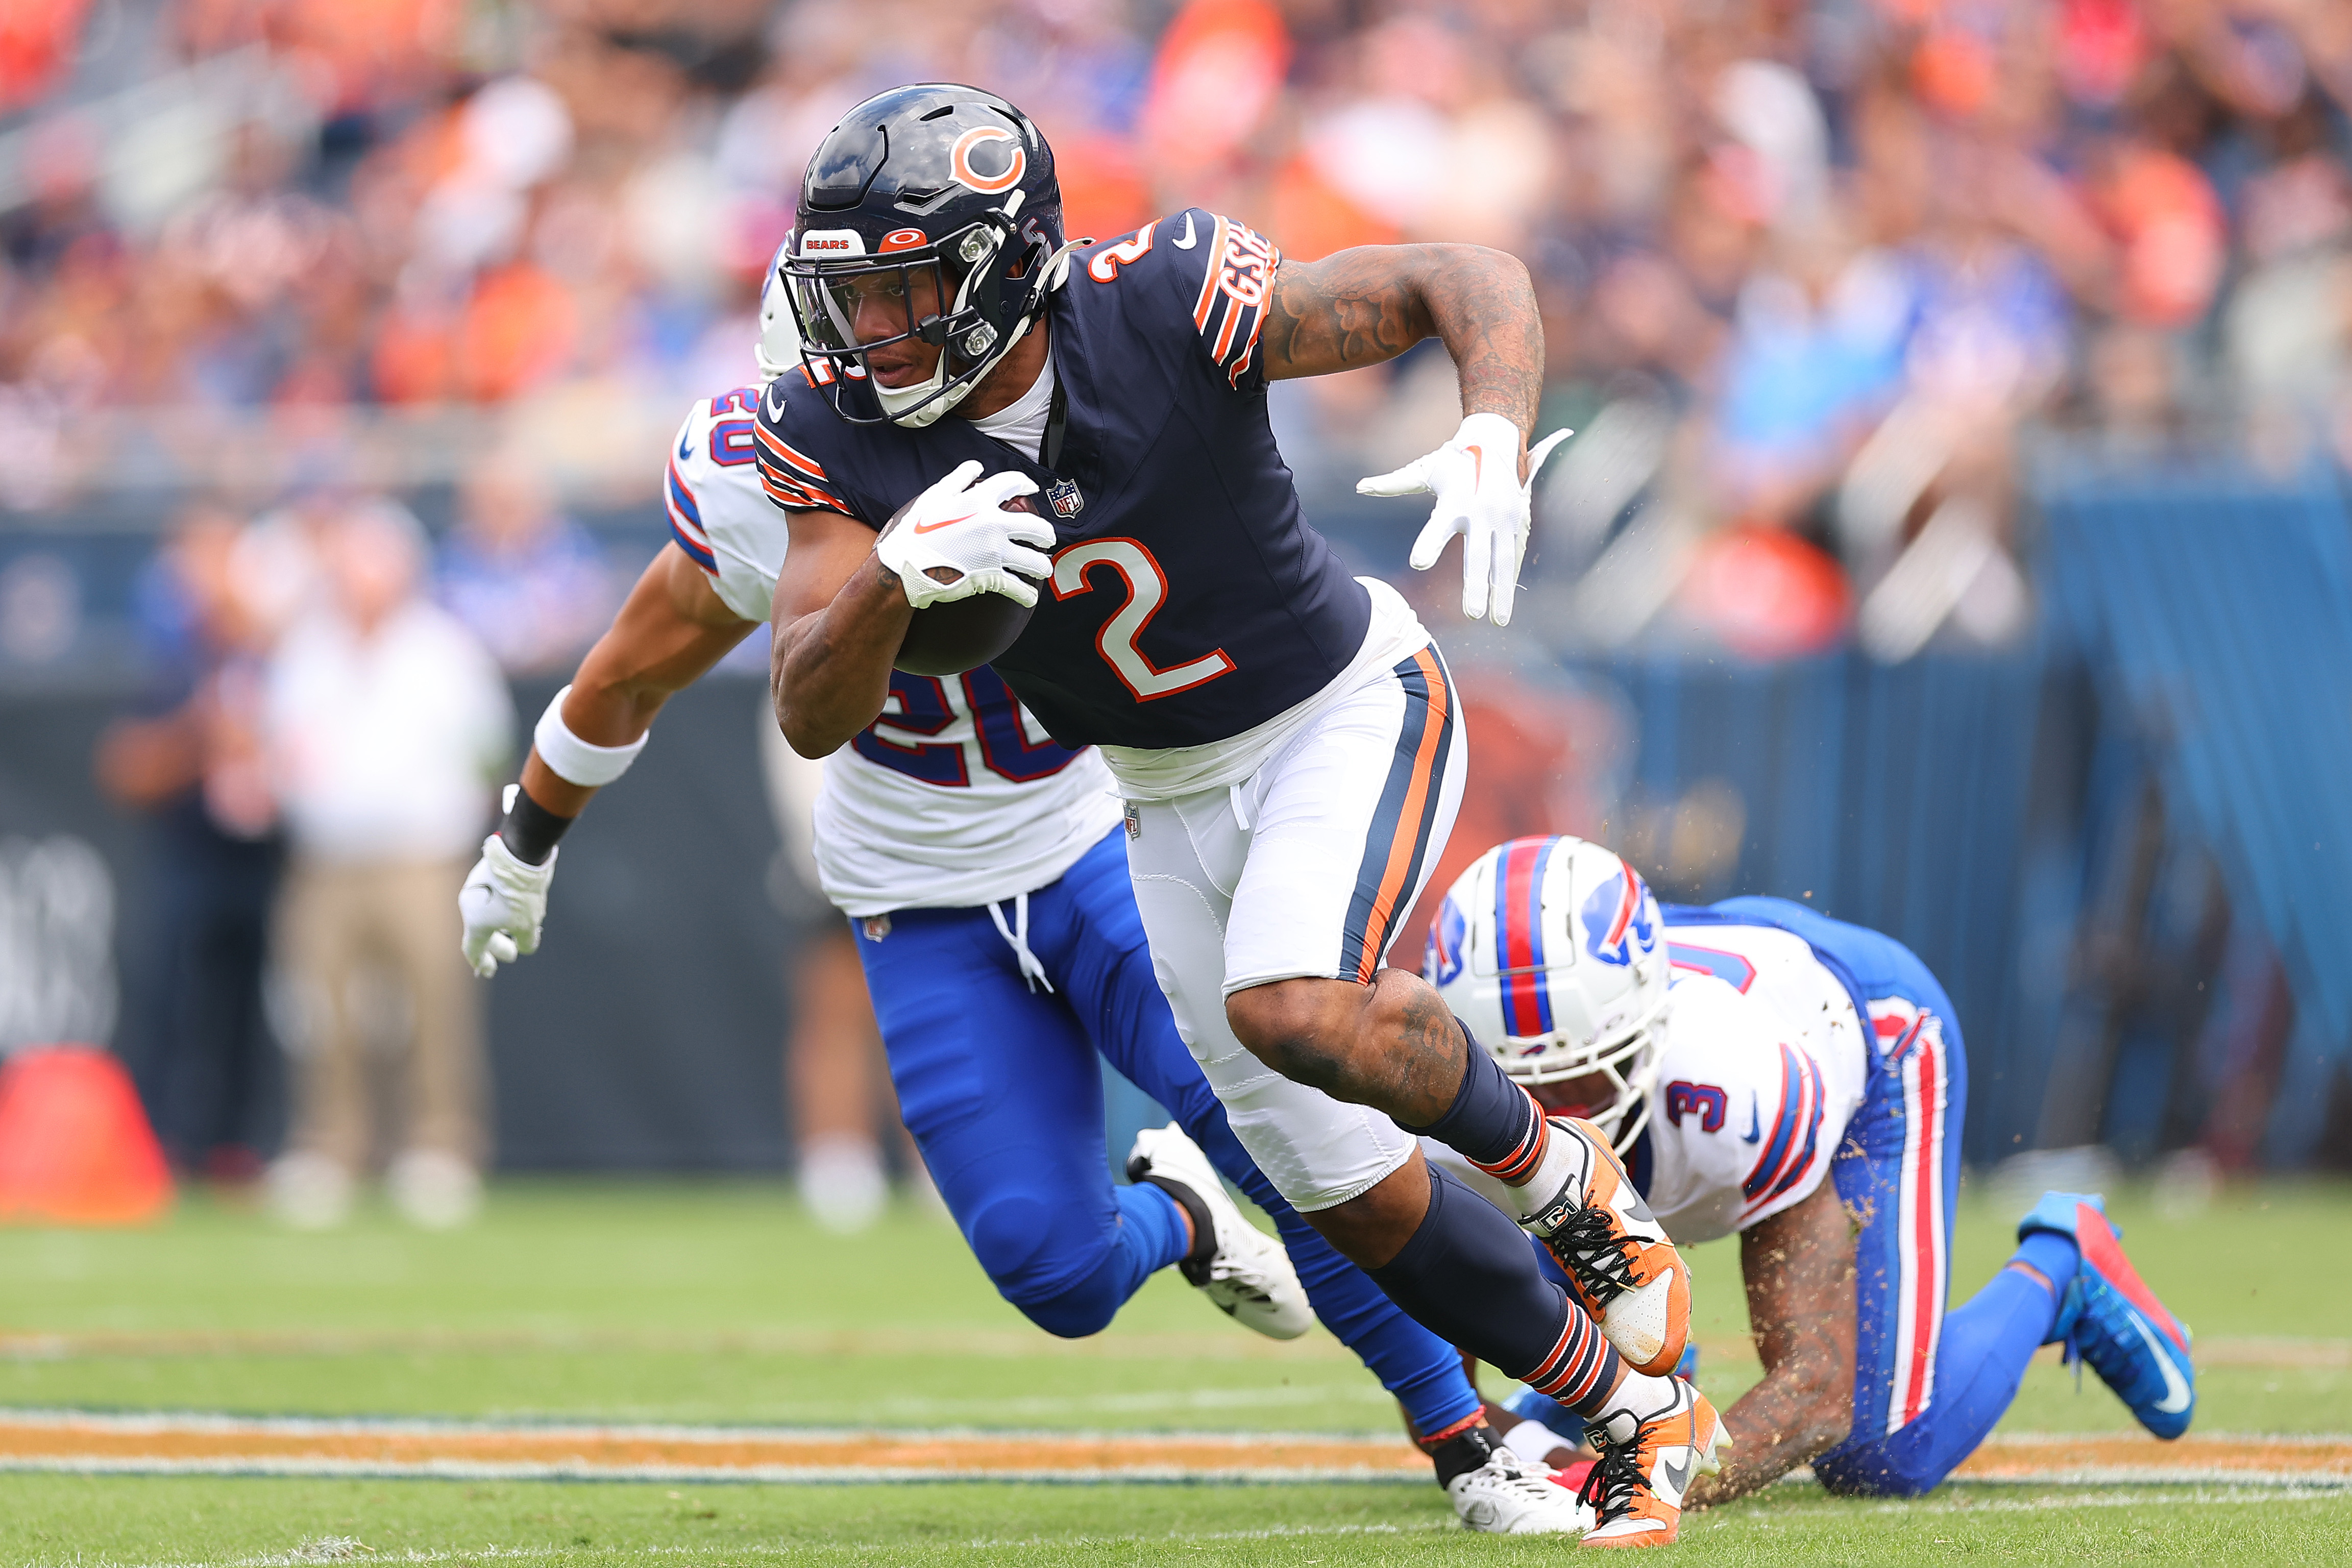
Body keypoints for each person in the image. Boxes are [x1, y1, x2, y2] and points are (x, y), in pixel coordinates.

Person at [455, 258, 1585, 1533]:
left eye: (900, 352)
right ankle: (1182, 1224)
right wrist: (521, 847)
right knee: (1053, 1270)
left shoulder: (1028, 411)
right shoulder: (758, 478)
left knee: (1289, 1148)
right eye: (844, 368)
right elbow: (626, 679)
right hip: (918, 889)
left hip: (1088, 831)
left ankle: (1465, 1430)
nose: (883, 389)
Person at [757, 84, 1715, 1544]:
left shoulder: (1162, 302)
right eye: (851, 291)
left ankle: (1563, 1175)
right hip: (1156, 798)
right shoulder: (834, 428)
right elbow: (810, 706)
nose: (868, 327)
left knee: (1292, 1003)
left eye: (903, 286)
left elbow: (1468, 278)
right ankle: (1640, 1412)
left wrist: (1493, 430)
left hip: (1341, 709)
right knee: (1346, 1194)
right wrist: (895, 575)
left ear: (1005, 265)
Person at [1424, 835, 2198, 1507]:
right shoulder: (1423, 1105)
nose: (1559, 1118)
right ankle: (1640, 1365)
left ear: (1638, 1037)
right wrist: (1506, 1443)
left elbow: (1818, 1388)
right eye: (1521, 1093)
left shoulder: (1737, 1089)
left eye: (1582, 1083)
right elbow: (1440, 1393)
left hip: (1869, 1025)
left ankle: (2064, 1263)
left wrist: (1641, 1482)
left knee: (1882, 1450)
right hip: (1701, 1003)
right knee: (1516, 1348)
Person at [265, 497, 512, 1230]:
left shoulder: (444, 649)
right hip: (327, 856)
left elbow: (487, 746)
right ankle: (331, 1146)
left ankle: (441, 1146)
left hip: (420, 854)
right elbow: (282, 742)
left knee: (435, 1001)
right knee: (321, 1009)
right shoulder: (305, 649)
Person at [98, 505, 285, 1185]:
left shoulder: (278, 664)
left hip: (263, 860)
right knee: (175, 1001)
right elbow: (125, 769)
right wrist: (198, 735)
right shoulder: (170, 664)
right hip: (187, 861)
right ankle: (165, 1145)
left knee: (249, 1010)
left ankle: (237, 1147)